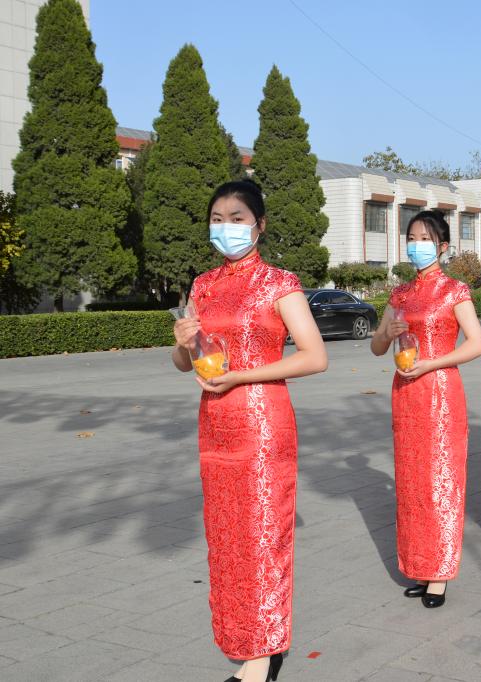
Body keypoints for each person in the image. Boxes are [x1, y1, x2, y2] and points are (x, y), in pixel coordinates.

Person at [171, 180, 328, 682]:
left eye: (236, 218)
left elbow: (314, 356)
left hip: (262, 423)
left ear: (259, 225)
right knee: (228, 538)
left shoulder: (280, 283)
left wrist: (242, 375)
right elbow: (185, 362)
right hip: (215, 424)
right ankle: (246, 638)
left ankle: (262, 656)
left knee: (262, 534)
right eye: (217, 219)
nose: (226, 227)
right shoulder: (202, 285)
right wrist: (183, 342)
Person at [370, 211, 481, 609]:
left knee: (440, 479)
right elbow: (377, 347)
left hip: (440, 391)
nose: (416, 244)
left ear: (443, 246)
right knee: (411, 482)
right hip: (406, 392)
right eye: (411, 238)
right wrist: (387, 332)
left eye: (425, 238)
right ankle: (419, 564)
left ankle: (439, 572)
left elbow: (476, 343)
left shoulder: (455, 290)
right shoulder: (399, 294)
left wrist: (433, 363)